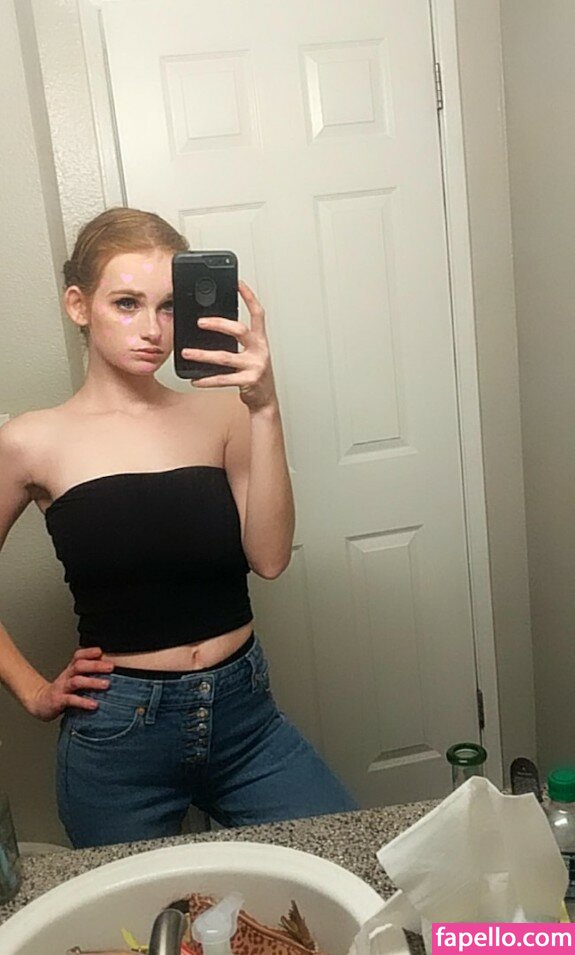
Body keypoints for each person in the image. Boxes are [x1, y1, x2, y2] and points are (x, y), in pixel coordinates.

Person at [0, 207, 357, 848]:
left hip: (245, 717)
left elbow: (270, 557)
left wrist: (265, 408)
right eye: (127, 303)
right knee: (139, 910)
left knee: (343, 861)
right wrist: (32, 691)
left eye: (169, 306)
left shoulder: (223, 415)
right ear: (79, 305)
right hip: (119, 738)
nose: (153, 329)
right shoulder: (30, 441)